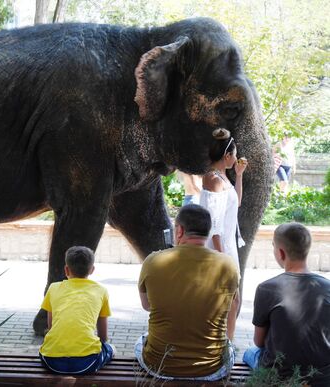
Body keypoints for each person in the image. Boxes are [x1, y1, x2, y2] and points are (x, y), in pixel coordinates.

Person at [135, 204, 238, 381]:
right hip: (211, 368)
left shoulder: (153, 261)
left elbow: (147, 306)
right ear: (207, 232)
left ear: (180, 230)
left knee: (140, 341)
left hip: (159, 365)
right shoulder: (228, 265)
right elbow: (233, 306)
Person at [243, 223, 330, 387]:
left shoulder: (267, 288)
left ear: (280, 252)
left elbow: (259, 342)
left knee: (250, 352)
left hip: (278, 376)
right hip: (322, 377)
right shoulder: (327, 287)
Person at [199, 128, 247, 341]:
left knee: (233, 299)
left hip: (227, 248)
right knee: (226, 299)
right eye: (234, 154)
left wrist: (238, 176)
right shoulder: (213, 179)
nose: (236, 158)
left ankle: (228, 342)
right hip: (219, 249)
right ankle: (223, 344)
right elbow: (214, 225)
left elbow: (236, 202)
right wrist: (221, 257)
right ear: (227, 156)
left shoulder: (223, 177)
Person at [39, 246, 114, 374]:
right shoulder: (101, 290)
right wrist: (103, 344)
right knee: (110, 349)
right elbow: (102, 332)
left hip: (51, 361)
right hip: (87, 362)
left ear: (66, 270)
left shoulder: (53, 288)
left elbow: (51, 325)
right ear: (92, 270)